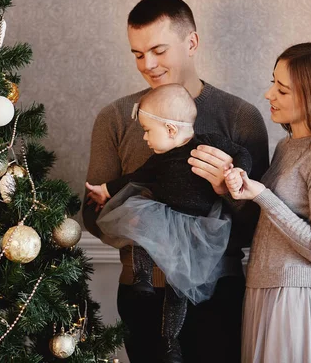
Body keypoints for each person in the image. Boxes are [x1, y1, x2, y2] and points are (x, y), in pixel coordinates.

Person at [82, 0, 269, 363]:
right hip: (142, 292)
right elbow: (91, 213)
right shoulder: (116, 117)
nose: (147, 64)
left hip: (217, 291)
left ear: (192, 43)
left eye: (158, 50)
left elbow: (262, 224)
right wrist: (134, 221)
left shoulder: (240, 117)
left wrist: (226, 192)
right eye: (137, 54)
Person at [223, 42, 311, 363]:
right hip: (265, 295)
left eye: (283, 90)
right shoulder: (286, 147)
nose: (269, 95)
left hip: (296, 307)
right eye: (273, 82)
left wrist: (262, 194)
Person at [86, 84, 252, 362]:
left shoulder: (210, 141)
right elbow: (133, 179)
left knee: (179, 289)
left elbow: (241, 152)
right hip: (163, 215)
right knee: (141, 224)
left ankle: (171, 341)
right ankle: (143, 279)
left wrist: (238, 172)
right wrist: (105, 189)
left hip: (196, 226)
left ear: (172, 130)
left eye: (148, 131)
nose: (145, 138)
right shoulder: (158, 160)